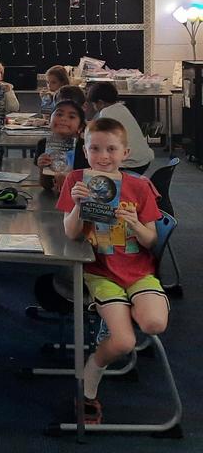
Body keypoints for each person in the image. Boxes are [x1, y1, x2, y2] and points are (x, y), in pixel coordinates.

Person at [57, 117, 168, 425]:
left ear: (125, 153)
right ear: (85, 150)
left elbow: (151, 240)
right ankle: (89, 379)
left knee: (155, 323)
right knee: (124, 342)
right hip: (102, 272)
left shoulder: (140, 186)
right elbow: (71, 234)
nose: (103, 156)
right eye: (95, 149)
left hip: (138, 271)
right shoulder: (76, 180)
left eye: (111, 149)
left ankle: (113, 322)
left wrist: (135, 224)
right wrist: (78, 205)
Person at [86, 82, 154, 174]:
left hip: (131, 165)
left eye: (94, 104)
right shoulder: (122, 108)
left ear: (100, 103)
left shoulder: (106, 113)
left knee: (95, 160)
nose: (94, 108)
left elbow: (99, 138)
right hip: (143, 160)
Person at [34, 99, 88, 193]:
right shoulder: (43, 144)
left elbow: (89, 184)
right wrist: (42, 168)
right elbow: (46, 185)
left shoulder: (87, 148)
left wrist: (68, 180)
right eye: (59, 114)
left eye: (71, 117)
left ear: (80, 127)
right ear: (49, 121)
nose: (63, 119)